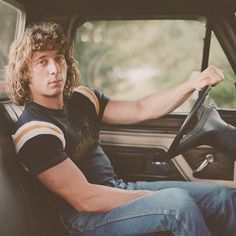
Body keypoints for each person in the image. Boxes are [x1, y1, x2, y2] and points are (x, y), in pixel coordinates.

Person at [5, 22, 236, 236]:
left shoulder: (81, 98)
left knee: (220, 197)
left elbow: (141, 108)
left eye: (59, 58)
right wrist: (148, 197)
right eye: (42, 61)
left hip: (116, 188)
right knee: (178, 205)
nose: (55, 69)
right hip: (83, 218)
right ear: (25, 73)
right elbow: (84, 199)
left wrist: (193, 84)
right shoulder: (34, 132)